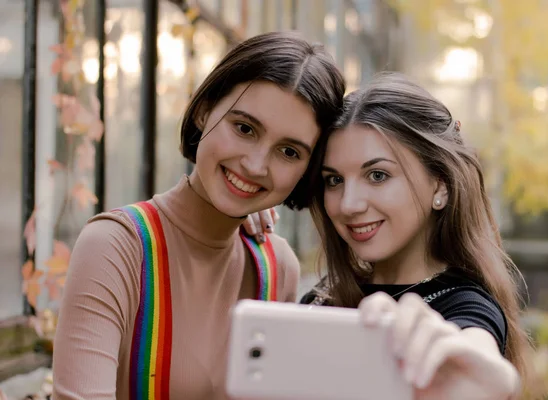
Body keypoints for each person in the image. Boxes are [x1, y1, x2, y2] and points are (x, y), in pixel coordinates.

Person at [52, 31, 345, 400]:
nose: (255, 165)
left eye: (288, 152)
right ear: (205, 109)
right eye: (244, 128)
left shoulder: (276, 268)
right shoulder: (117, 248)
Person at [301, 73, 531, 399]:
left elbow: (474, 352)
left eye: (377, 175)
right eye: (334, 180)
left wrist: (492, 379)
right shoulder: (322, 298)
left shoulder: (464, 306)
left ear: (440, 185)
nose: (348, 205)